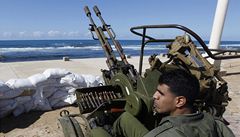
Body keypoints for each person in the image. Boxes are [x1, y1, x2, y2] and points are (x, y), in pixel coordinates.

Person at [91, 69, 235, 137]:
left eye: (160, 93)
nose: (154, 96)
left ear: (179, 101)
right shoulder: (215, 123)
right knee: (125, 119)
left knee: (97, 132)